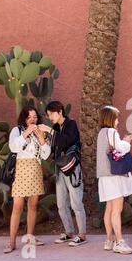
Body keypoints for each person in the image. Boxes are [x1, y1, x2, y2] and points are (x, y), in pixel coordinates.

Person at [39, 101, 87, 246]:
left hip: (72, 168)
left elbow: (67, 141)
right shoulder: (55, 127)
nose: (50, 117)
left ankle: (82, 235)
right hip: (59, 169)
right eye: (48, 115)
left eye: (52, 113)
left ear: (60, 111)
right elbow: (53, 149)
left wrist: (50, 131)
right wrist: (44, 137)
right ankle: (69, 232)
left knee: (76, 202)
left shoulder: (71, 124)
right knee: (61, 204)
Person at [4, 106, 51, 253]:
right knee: (17, 207)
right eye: (30, 117)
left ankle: (30, 236)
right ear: (24, 118)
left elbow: (45, 155)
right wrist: (26, 133)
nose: (33, 119)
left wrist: (42, 138)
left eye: (35, 117)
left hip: (35, 169)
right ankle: (11, 242)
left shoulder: (40, 132)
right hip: (21, 170)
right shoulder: (17, 131)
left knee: (33, 206)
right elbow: (13, 147)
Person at [97, 106, 132, 254]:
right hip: (114, 176)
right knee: (117, 210)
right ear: (111, 118)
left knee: (109, 208)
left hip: (104, 176)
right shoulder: (111, 131)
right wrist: (127, 141)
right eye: (117, 118)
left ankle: (109, 240)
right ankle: (119, 242)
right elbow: (119, 148)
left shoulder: (101, 132)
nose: (118, 121)